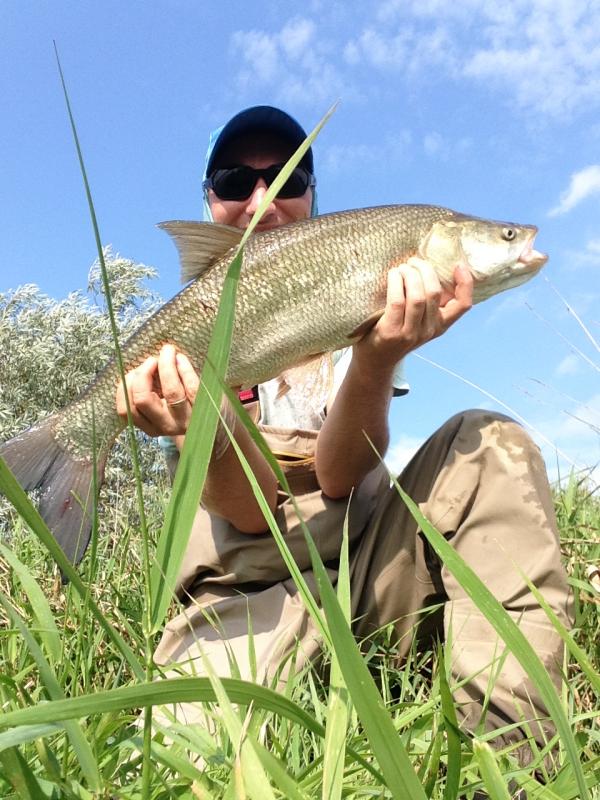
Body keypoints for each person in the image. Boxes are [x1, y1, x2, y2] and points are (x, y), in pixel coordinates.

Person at [116, 106, 572, 763]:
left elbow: (340, 478)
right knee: (190, 765)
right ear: (210, 202)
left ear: (311, 195)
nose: (262, 199)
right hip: (241, 600)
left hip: (369, 579)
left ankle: (516, 760)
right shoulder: (182, 351)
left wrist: (376, 360)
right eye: (236, 182)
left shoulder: (362, 295)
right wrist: (206, 420)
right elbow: (248, 513)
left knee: (489, 442)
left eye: (289, 179)